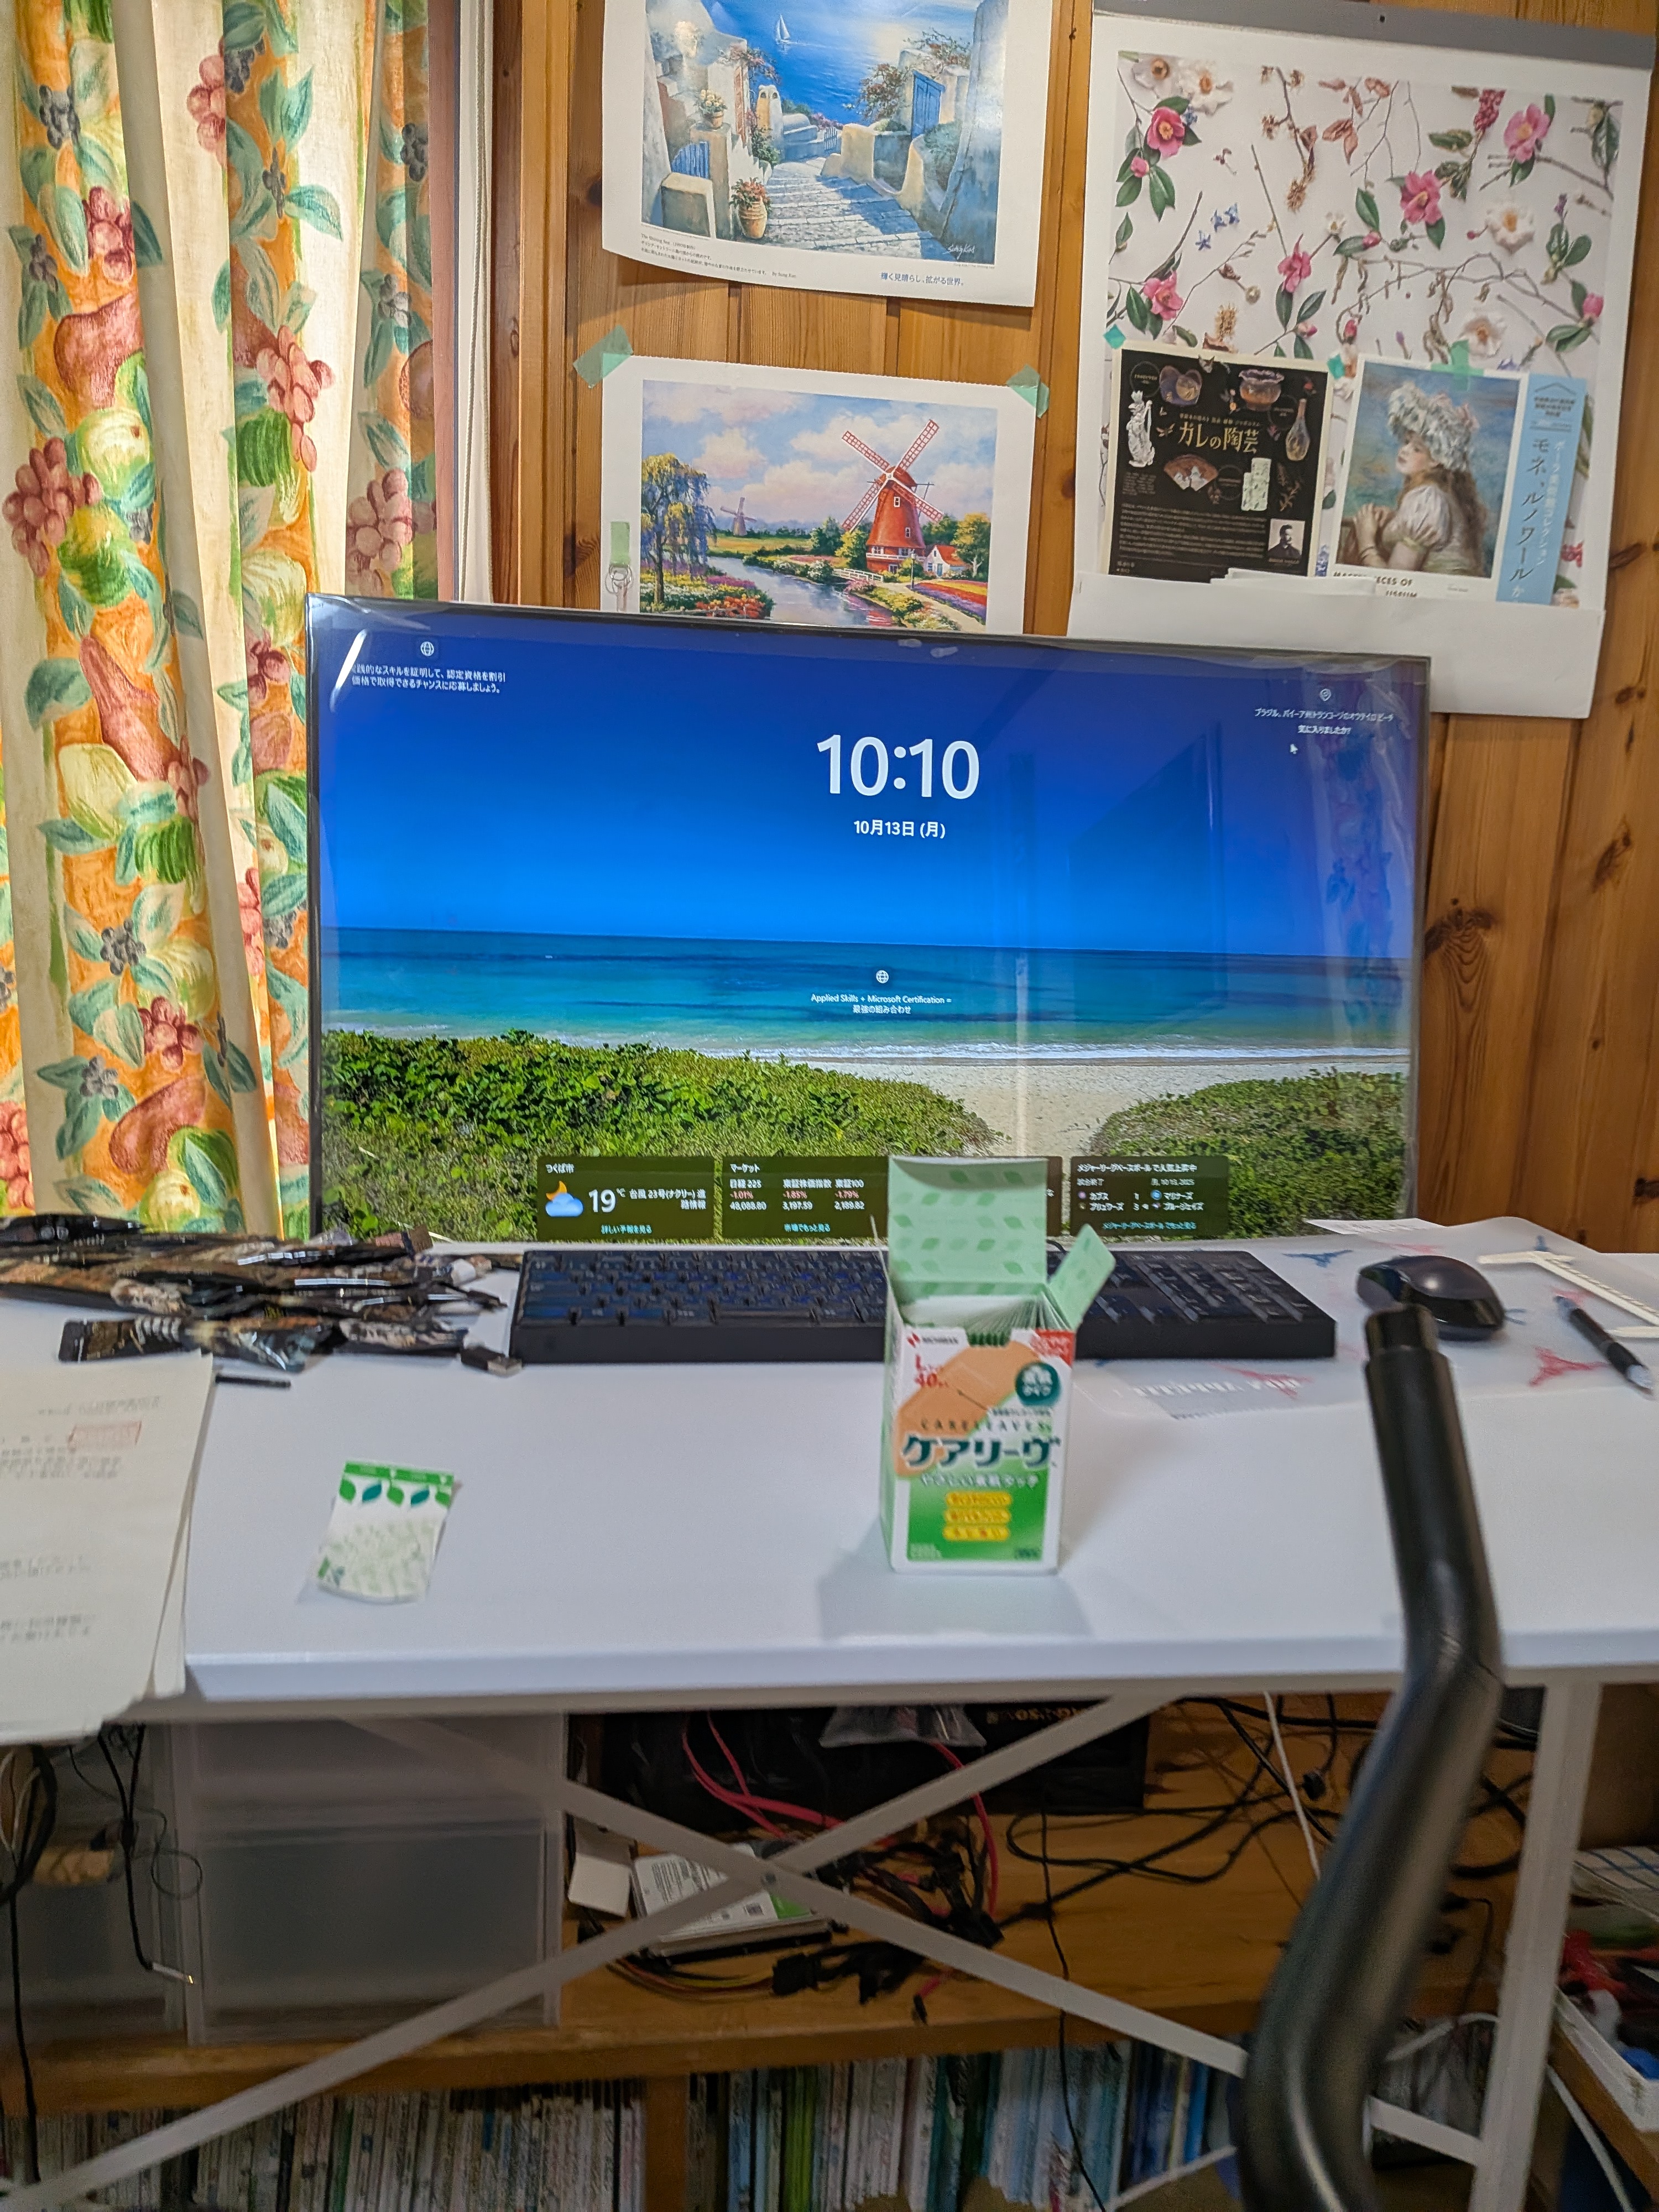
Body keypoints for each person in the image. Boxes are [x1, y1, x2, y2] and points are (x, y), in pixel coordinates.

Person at [1341, 382, 1485, 574]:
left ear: (1435, 460)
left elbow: (1396, 580)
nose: (1405, 450)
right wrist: (1394, 518)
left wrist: (1366, 542)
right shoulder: (1436, 494)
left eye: (1417, 448)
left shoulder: (1426, 499)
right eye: (1407, 442)